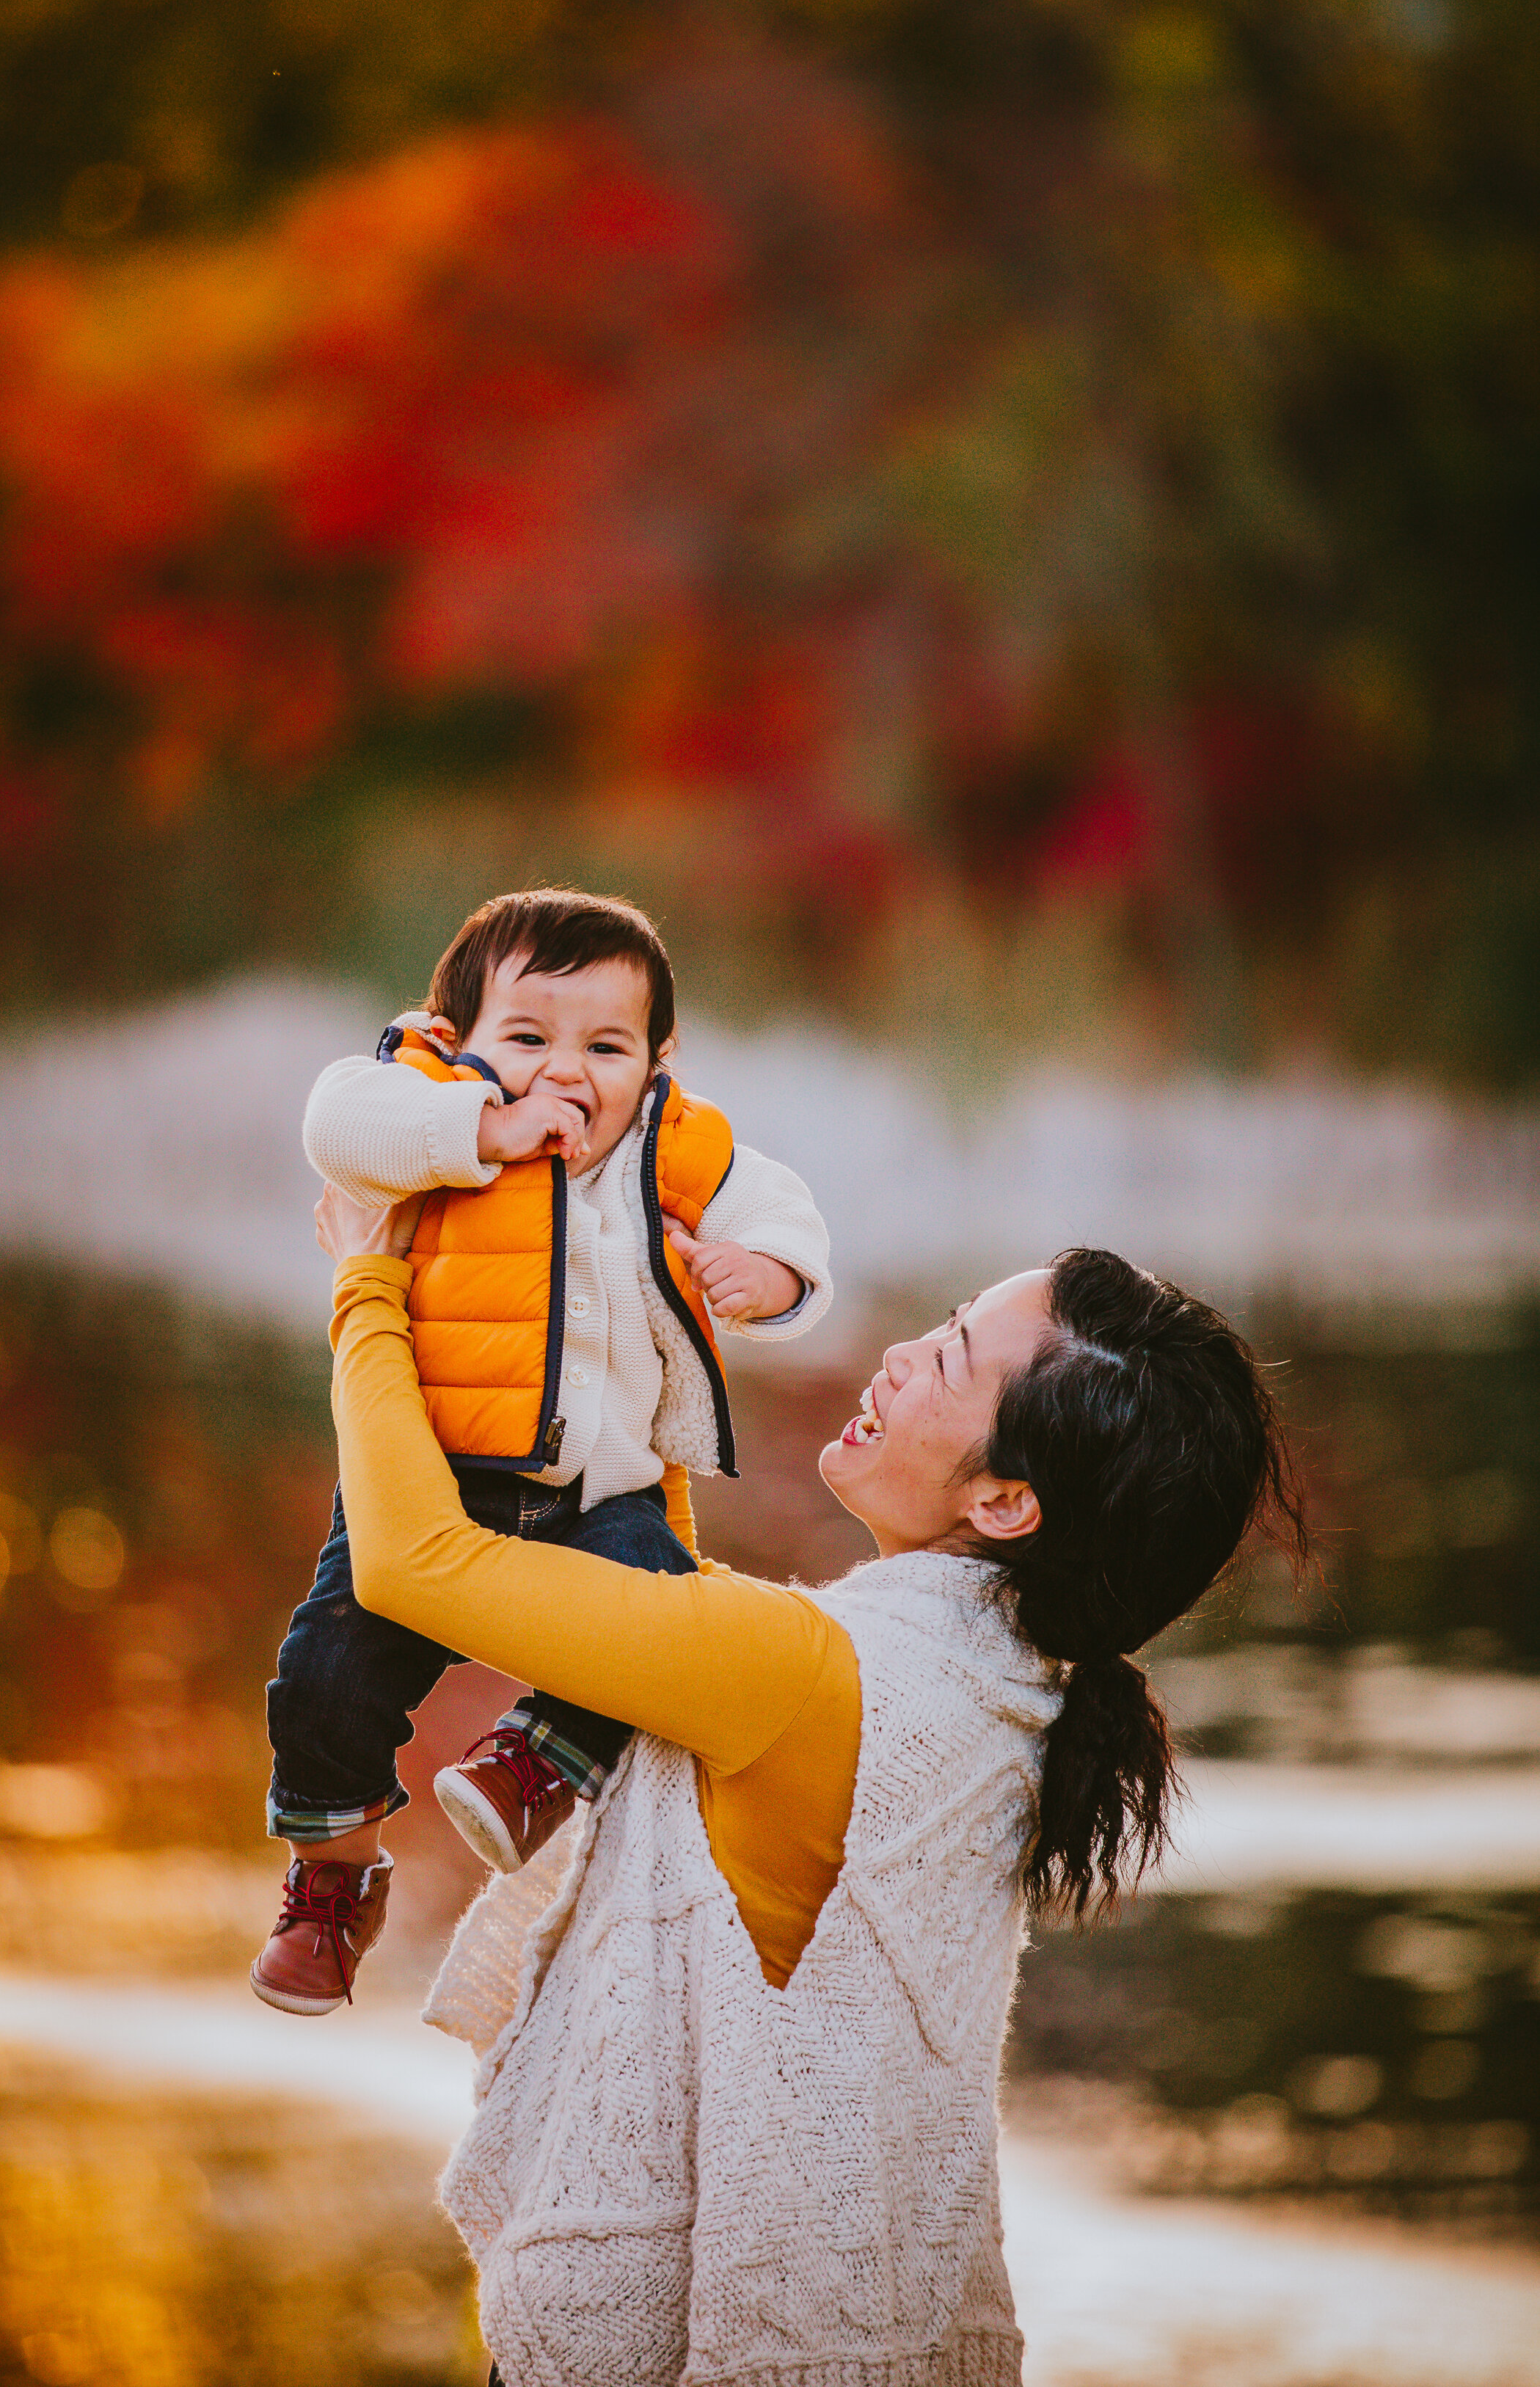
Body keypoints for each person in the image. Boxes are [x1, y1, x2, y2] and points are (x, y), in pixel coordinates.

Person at [307, 1189, 1304, 2387]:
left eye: (948, 1359)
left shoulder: (803, 1674)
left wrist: (368, 1282)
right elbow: (662, 1597)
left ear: (1003, 1504)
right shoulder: (1006, 1693)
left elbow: (413, 1557)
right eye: (938, 1322)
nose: (896, 1355)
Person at [251, 887, 831, 2014]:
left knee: (657, 1601)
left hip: (597, 1484)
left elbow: (784, 1207)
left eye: (605, 1044)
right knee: (326, 1674)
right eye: (527, 1038)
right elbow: (333, 1122)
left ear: (659, 1057)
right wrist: (484, 1126)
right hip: (436, 1478)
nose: (566, 1071)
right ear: (458, 1035)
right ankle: (333, 1877)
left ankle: (535, 1764)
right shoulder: (428, 1110)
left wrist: (769, 1274)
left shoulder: (668, 1146)